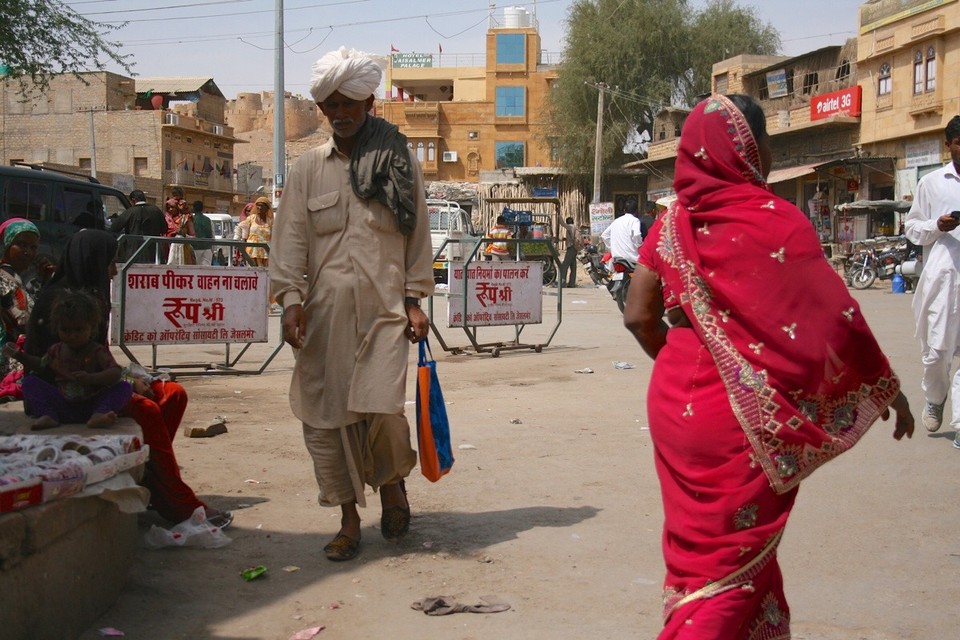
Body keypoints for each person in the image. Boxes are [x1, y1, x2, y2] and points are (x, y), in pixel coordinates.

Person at [623, 94, 914, 639]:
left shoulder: (672, 222)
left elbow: (638, 316)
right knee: (727, 567)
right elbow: (834, 321)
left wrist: (690, 364)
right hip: (735, 416)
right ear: (748, 148)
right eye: (766, 142)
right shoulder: (775, 220)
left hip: (674, 402)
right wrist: (884, 387)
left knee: (704, 556)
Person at [270, 46, 434, 562]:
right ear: (322, 109)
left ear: (368, 104)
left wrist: (415, 301)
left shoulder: (399, 164)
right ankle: (348, 520)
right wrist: (290, 302)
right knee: (327, 421)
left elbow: (417, 238)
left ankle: (393, 488)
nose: (341, 113)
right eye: (332, 105)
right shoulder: (307, 170)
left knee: (383, 411)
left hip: (386, 315)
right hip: (324, 319)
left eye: (350, 104)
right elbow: (289, 241)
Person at [24, 230, 232, 527]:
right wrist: (124, 382)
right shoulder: (59, 302)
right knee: (146, 409)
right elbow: (59, 365)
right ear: (92, 261)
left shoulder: (93, 294)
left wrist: (131, 377)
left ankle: (154, 481)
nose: (113, 271)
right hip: (65, 395)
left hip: (97, 383)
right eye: (109, 263)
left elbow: (98, 354)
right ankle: (179, 502)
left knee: (173, 393)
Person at [904, 115, 960, 444]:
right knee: (938, 351)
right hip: (943, 282)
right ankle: (935, 398)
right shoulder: (932, 183)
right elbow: (913, 229)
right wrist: (937, 226)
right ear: (948, 145)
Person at [7, 290, 132, 430]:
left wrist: (92, 378)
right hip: (62, 405)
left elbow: (115, 372)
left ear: (91, 328)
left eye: (79, 330)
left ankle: (98, 415)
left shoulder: (97, 351)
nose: (72, 335)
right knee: (29, 382)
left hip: (92, 405)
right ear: (57, 328)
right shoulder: (56, 350)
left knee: (124, 387)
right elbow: (41, 366)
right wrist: (19, 355)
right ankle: (48, 415)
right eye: (66, 330)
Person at [0, 219, 41, 397]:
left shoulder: (16, 278)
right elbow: (21, 319)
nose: (28, 252)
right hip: (8, 359)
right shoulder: (3, 278)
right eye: (22, 244)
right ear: (6, 244)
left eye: (33, 247)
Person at [111, 190, 167, 263]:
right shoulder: (156, 210)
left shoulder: (130, 211)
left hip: (134, 254)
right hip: (154, 255)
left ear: (133, 200)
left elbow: (115, 227)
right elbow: (164, 229)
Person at [233, 196, 272, 267]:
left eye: (262, 206)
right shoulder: (251, 219)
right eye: (258, 205)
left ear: (267, 208)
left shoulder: (270, 222)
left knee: (265, 272)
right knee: (252, 272)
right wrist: (237, 239)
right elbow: (240, 228)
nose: (260, 208)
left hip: (266, 253)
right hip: (251, 252)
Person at [601, 198, 643, 264]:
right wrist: (639, 244)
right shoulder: (635, 220)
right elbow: (637, 235)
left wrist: (612, 247)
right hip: (632, 259)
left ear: (624, 210)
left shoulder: (616, 221)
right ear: (636, 211)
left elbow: (604, 235)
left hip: (616, 258)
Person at [165, 187, 195, 265]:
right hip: (167, 248)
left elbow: (193, 236)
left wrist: (183, 236)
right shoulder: (167, 218)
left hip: (183, 250)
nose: (171, 209)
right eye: (169, 207)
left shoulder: (186, 218)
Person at [559, 216, 581, 288]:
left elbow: (562, 224)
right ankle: (571, 283)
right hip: (575, 248)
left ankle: (562, 283)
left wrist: (559, 215)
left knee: (564, 266)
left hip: (571, 248)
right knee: (573, 266)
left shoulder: (570, 227)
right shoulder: (575, 227)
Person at [191, 200, 214, 266]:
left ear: (193, 209)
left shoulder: (191, 220)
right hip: (207, 248)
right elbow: (212, 234)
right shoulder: (208, 220)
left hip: (195, 248)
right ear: (202, 209)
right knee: (206, 269)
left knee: (195, 269)